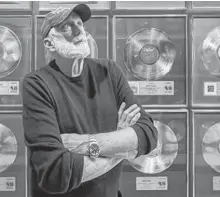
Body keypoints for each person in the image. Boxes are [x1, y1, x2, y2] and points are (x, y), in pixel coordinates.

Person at [22, 4, 158, 197]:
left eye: (80, 24)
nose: (79, 31)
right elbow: (56, 174)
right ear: (49, 44)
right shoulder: (37, 84)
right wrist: (122, 144)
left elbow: (148, 133)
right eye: (66, 27)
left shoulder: (109, 72)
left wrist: (86, 143)